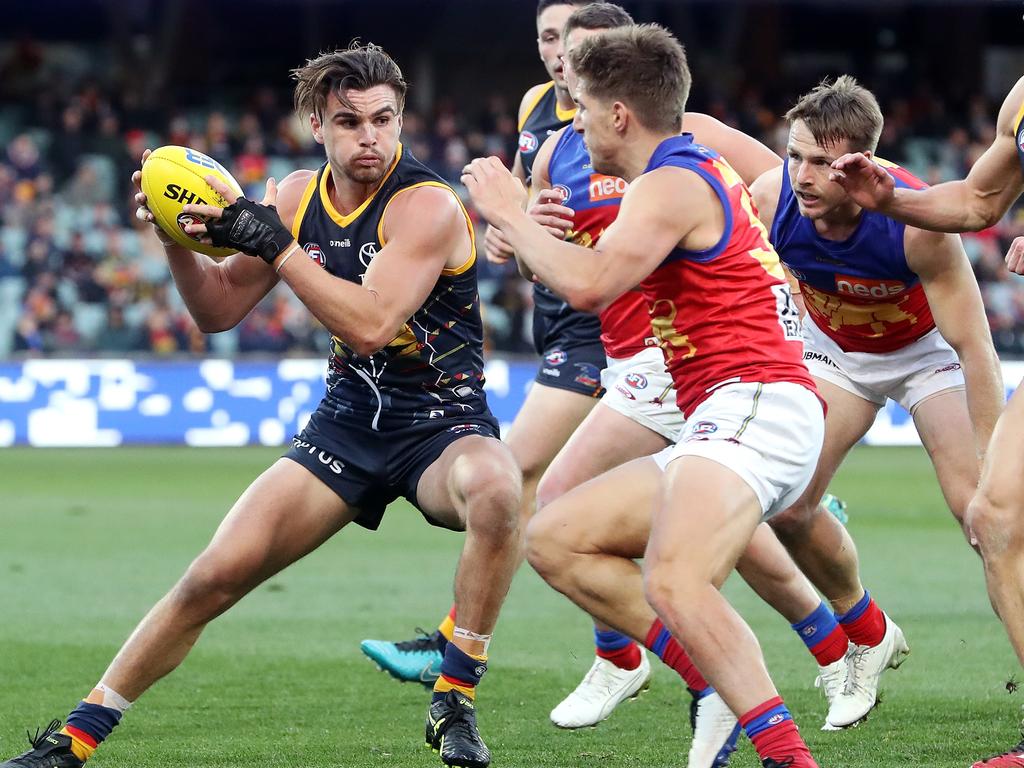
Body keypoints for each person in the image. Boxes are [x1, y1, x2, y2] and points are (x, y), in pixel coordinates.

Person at [1, 43, 521, 768]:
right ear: (316, 124)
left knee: (498, 487)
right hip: (346, 423)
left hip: (441, 424)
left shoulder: (426, 206)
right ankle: (73, 741)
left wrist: (278, 247)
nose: (370, 137)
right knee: (212, 576)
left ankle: (454, 698)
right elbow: (216, 311)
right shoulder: (294, 197)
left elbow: (370, 323)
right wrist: (176, 240)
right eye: (349, 121)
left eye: (384, 119)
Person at [464, 24, 826, 768]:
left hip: (755, 404)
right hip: (728, 412)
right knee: (557, 537)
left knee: (672, 578)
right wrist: (529, 227)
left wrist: (504, 212)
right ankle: (716, 679)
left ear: (620, 115)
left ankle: (787, 749)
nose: (577, 123)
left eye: (586, 109)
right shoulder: (669, 175)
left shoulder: (672, 182)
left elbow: (591, 286)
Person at [360, 0, 653, 727]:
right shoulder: (538, 112)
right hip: (556, 315)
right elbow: (522, 215)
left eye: (570, 40)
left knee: (518, 478)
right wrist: (508, 233)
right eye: (547, 38)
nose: (557, 52)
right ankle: (786, 523)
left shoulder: (633, 113)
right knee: (570, 495)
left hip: (608, 323)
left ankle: (468, 646)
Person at [749, 76, 1003, 730]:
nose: (800, 175)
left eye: (818, 163)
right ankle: (868, 632)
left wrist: (998, 467)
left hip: (928, 356)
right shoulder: (771, 197)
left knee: (986, 520)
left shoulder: (914, 222)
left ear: (860, 164)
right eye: (793, 155)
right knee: (787, 505)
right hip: (839, 356)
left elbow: (974, 346)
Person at [829, 75, 1024, 768]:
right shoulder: (1022, 100)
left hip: (923, 355)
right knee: (995, 517)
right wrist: (893, 201)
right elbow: (977, 199)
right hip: (845, 355)